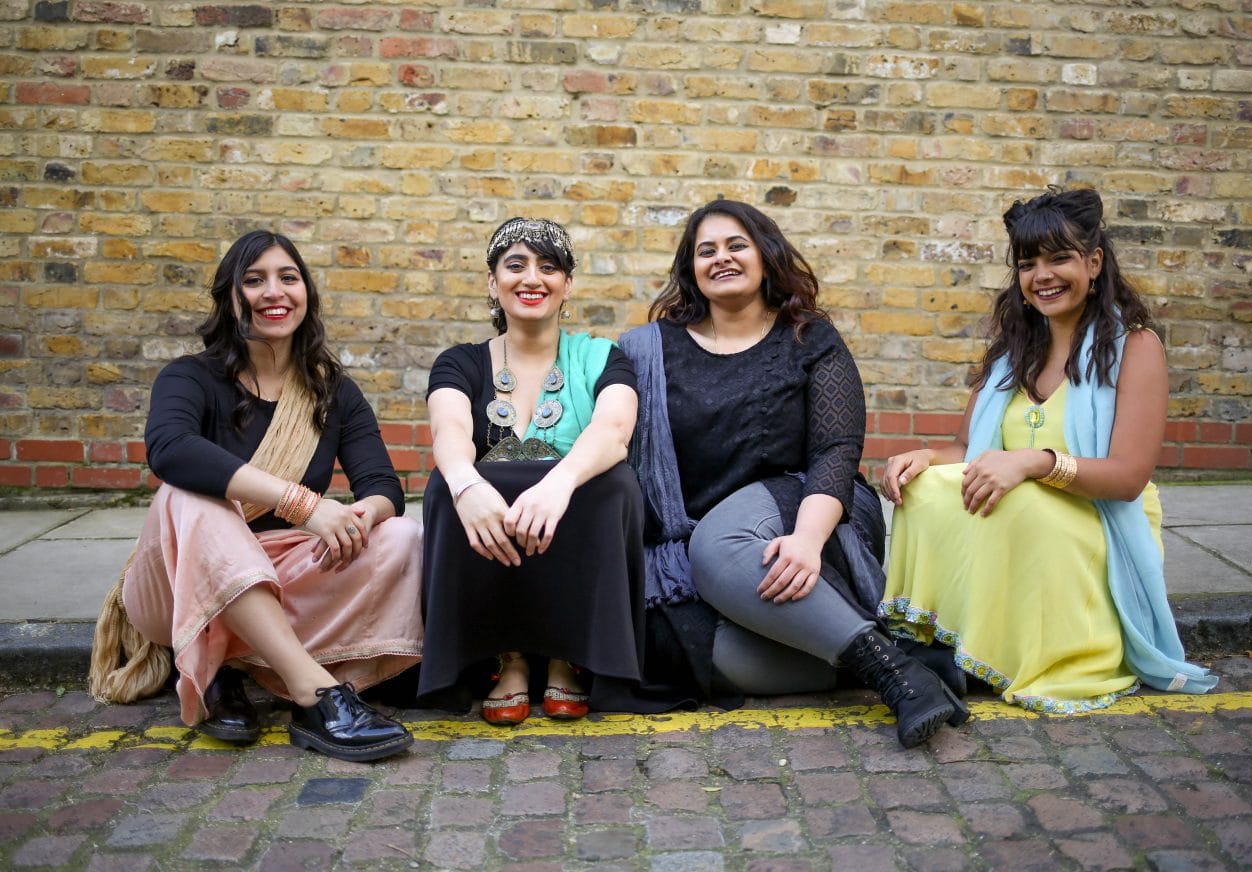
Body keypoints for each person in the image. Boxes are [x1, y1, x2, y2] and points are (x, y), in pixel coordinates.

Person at [618, 200, 968, 749]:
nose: (722, 258)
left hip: (811, 515)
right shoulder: (649, 350)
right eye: (705, 250)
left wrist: (806, 539)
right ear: (690, 268)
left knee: (722, 541)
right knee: (692, 651)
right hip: (695, 549)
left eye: (736, 245)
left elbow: (836, 451)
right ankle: (907, 664)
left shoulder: (810, 340)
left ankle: (892, 677)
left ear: (765, 255)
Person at [878, 186, 1217, 713]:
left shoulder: (1136, 347)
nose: (1043, 276)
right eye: (1029, 263)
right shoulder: (1013, 350)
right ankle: (942, 641)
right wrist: (925, 457)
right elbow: (969, 448)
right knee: (924, 490)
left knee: (1025, 501)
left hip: (1097, 516)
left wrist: (1036, 462)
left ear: (1095, 262)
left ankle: (1045, 655)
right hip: (1027, 502)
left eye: (1060, 258)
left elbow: (1128, 477)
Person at [119, 230, 421, 762]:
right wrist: (303, 505)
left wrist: (357, 516)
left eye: (288, 278)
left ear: (307, 293)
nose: (273, 292)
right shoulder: (189, 377)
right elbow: (170, 450)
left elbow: (384, 488)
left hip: (279, 577)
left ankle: (226, 671)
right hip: (174, 582)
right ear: (230, 297)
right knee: (189, 495)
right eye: (254, 280)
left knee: (400, 534)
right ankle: (316, 693)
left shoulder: (331, 391)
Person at [418, 217, 644, 725]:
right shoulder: (460, 362)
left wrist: (559, 483)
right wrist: (465, 483)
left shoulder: (603, 356)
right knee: (444, 488)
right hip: (494, 511)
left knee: (614, 486)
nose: (532, 279)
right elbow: (449, 429)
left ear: (568, 284)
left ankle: (570, 656)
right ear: (492, 282)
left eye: (549, 267)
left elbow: (614, 430)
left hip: (576, 505)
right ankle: (509, 656)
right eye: (514, 265)